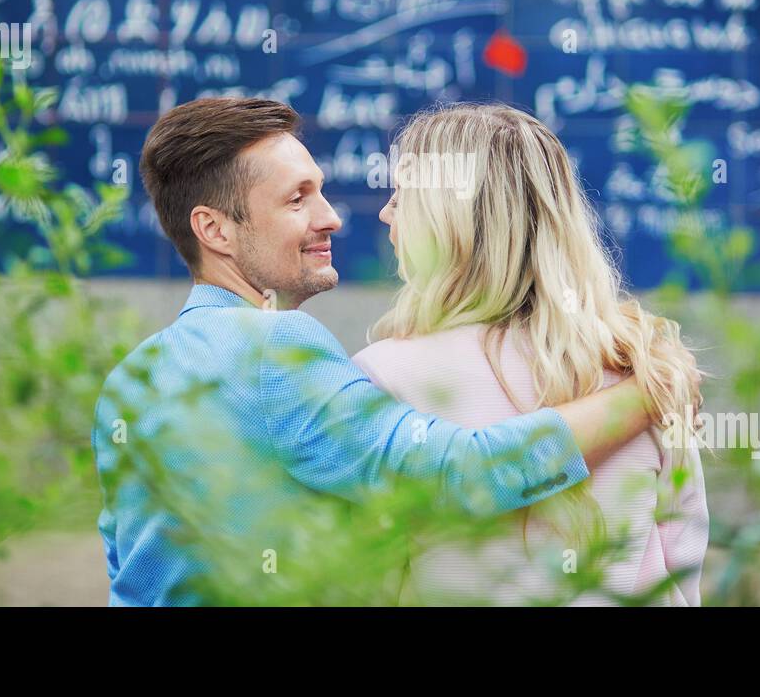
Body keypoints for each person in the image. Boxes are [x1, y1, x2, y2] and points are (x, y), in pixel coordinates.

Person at [91, 97, 672, 606]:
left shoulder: (131, 379)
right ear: (214, 230)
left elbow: (130, 567)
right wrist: (645, 394)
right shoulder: (275, 346)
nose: (332, 218)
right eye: (298, 199)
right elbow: (460, 475)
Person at [353, 102, 709, 605]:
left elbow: (371, 579)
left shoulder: (384, 375)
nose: (388, 212)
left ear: (445, 221)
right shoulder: (648, 369)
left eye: (401, 195)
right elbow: (679, 562)